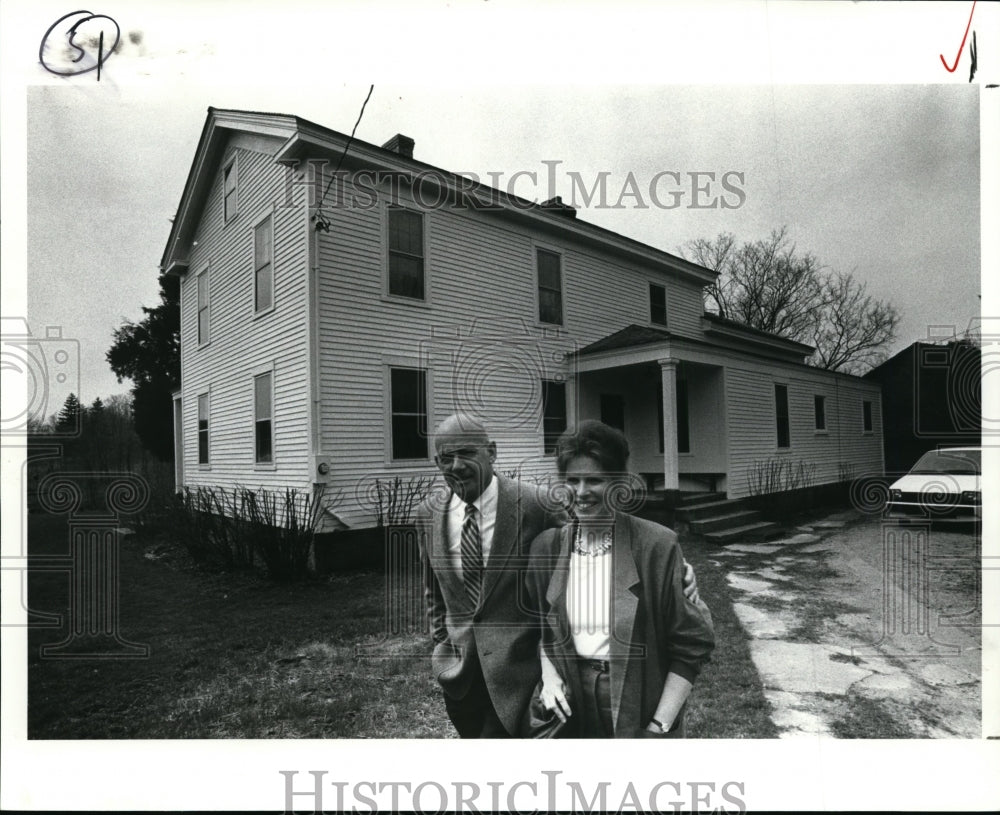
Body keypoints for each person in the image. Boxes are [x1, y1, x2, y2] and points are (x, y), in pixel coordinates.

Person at [526, 420, 715, 738]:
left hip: (637, 701)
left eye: (594, 480)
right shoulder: (547, 547)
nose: (582, 492)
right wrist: (548, 674)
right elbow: (540, 627)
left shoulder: (656, 546)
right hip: (569, 705)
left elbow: (692, 647)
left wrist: (658, 727)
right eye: (573, 480)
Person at [415, 413, 566, 738]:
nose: (456, 465)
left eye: (466, 453)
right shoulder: (428, 513)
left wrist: (675, 569)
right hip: (460, 679)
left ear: (492, 452)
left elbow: (588, 559)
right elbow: (433, 587)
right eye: (445, 458)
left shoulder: (537, 505)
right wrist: (442, 640)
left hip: (524, 677)